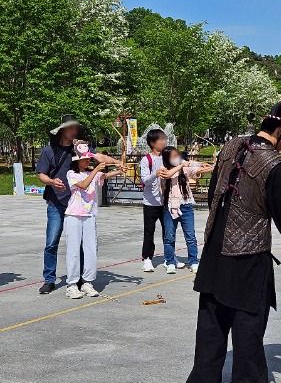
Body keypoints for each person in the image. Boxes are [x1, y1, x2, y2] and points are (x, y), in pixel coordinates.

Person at [187, 98, 281, 383]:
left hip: (215, 245)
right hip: (248, 252)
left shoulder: (230, 146)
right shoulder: (276, 165)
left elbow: (213, 194)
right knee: (248, 319)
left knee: (212, 316)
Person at [36, 115, 122, 294]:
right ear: (62, 130)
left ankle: (83, 278)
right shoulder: (49, 150)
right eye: (70, 128)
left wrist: (116, 162)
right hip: (57, 201)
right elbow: (41, 174)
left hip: (81, 205)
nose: (74, 131)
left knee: (83, 244)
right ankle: (49, 279)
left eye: (75, 128)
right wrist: (52, 182)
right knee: (52, 242)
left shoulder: (80, 148)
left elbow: (98, 156)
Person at [64, 141, 124, 299]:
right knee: (73, 250)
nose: (87, 161)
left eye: (88, 159)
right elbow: (84, 185)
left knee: (91, 250)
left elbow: (105, 176)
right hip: (74, 215)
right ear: (77, 161)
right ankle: (72, 285)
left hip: (89, 215)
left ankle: (87, 282)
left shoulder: (92, 173)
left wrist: (120, 170)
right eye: (84, 159)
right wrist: (96, 169)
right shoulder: (72, 174)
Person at [160, 147, 213, 274]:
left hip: (186, 205)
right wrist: (182, 165)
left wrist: (207, 165)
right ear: (167, 158)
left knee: (190, 236)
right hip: (170, 206)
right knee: (169, 236)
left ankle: (193, 261)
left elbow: (198, 169)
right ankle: (170, 262)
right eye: (174, 156)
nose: (177, 158)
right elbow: (168, 175)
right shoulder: (162, 169)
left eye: (177, 155)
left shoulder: (184, 168)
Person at [140, 128, 179, 273]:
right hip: (150, 202)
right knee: (149, 231)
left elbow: (182, 165)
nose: (164, 142)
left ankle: (170, 258)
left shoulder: (168, 157)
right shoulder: (146, 160)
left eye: (164, 139)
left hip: (166, 202)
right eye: (160, 139)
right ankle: (147, 258)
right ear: (152, 143)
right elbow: (145, 180)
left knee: (169, 231)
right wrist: (155, 174)